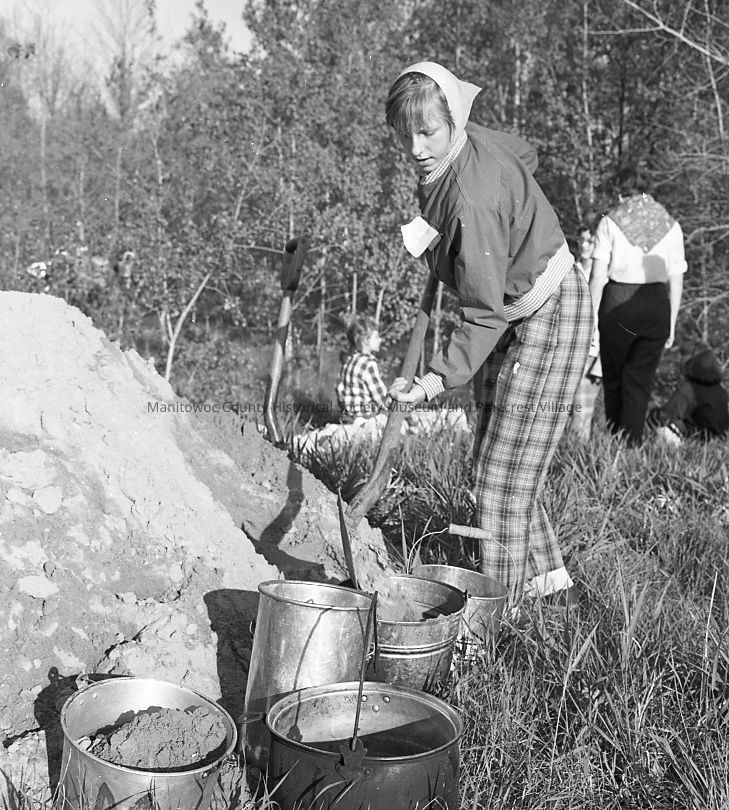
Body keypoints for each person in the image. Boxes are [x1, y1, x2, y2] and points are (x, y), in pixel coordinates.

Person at [384, 61, 593, 605]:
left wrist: (431, 382)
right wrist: (496, 222)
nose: (416, 149)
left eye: (427, 133)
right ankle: (553, 593)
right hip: (518, 310)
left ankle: (498, 621)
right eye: (405, 135)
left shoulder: (472, 200)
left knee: (500, 485)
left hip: (549, 313)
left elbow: (483, 314)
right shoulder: (463, 147)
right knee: (500, 464)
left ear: (453, 121)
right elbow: (525, 153)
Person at [589, 167, 687, 446]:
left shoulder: (611, 221)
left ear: (621, 193)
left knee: (614, 378)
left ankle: (615, 444)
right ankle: (632, 444)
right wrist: (671, 322)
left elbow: (597, 277)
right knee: (639, 380)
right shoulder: (671, 225)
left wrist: (590, 319)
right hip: (657, 304)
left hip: (618, 302)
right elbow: (676, 280)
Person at [649, 343, 728, 445]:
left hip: (695, 439)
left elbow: (664, 416)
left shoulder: (690, 390)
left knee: (662, 425)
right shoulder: (721, 390)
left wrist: (651, 410)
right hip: (717, 439)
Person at [571, 222, 603, 441]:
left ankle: (581, 455)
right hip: (570, 345)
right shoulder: (570, 270)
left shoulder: (605, 275)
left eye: (590, 241)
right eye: (581, 240)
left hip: (595, 348)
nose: (584, 245)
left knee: (583, 411)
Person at [336, 315, 388, 422]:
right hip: (365, 418)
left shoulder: (349, 360)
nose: (380, 340)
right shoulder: (369, 364)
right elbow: (381, 398)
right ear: (365, 341)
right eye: (376, 337)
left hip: (348, 417)